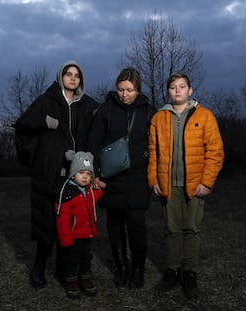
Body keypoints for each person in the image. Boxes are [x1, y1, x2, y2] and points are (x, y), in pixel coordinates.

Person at [14, 60, 99, 289]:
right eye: (68, 74)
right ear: (61, 76)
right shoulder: (47, 100)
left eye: (77, 75)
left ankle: (65, 271)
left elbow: (94, 135)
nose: (73, 78)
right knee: (48, 224)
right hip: (49, 171)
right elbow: (23, 123)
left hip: (74, 175)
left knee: (71, 223)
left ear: (81, 80)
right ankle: (38, 269)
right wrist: (46, 122)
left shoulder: (86, 105)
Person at [147, 73, 224, 299]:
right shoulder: (159, 118)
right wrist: (154, 180)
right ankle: (173, 270)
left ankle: (190, 273)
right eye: (173, 87)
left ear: (190, 90)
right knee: (172, 229)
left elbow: (215, 152)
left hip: (194, 186)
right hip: (168, 185)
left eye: (182, 87)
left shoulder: (205, 116)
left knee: (191, 230)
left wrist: (207, 182)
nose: (177, 90)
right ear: (168, 91)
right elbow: (153, 153)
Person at [87, 68, 156, 289]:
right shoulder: (106, 109)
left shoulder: (148, 111)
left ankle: (137, 270)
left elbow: (157, 144)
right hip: (111, 177)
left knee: (136, 223)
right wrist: (95, 173)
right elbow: (93, 142)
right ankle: (121, 267)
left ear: (138, 89)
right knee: (115, 223)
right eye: (120, 89)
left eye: (129, 90)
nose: (124, 94)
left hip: (138, 177)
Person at [55, 150, 105, 299]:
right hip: (73, 235)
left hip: (86, 233)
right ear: (73, 173)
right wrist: (66, 239)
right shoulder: (66, 192)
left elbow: (90, 202)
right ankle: (71, 281)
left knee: (85, 257)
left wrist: (100, 188)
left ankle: (86, 279)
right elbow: (62, 219)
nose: (85, 176)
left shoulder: (88, 190)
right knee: (71, 259)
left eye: (89, 174)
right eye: (81, 172)